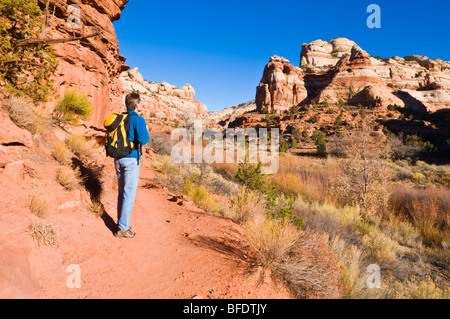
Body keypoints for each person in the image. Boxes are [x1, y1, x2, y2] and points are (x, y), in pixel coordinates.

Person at [114, 92, 150, 238]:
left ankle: (121, 223)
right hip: (131, 159)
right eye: (140, 103)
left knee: (122, 192)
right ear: (136, 104)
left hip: (118, 159)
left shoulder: (119, 118)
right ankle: (123, 228)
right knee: (129, 194)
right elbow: (144, 139)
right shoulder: (138, 119)